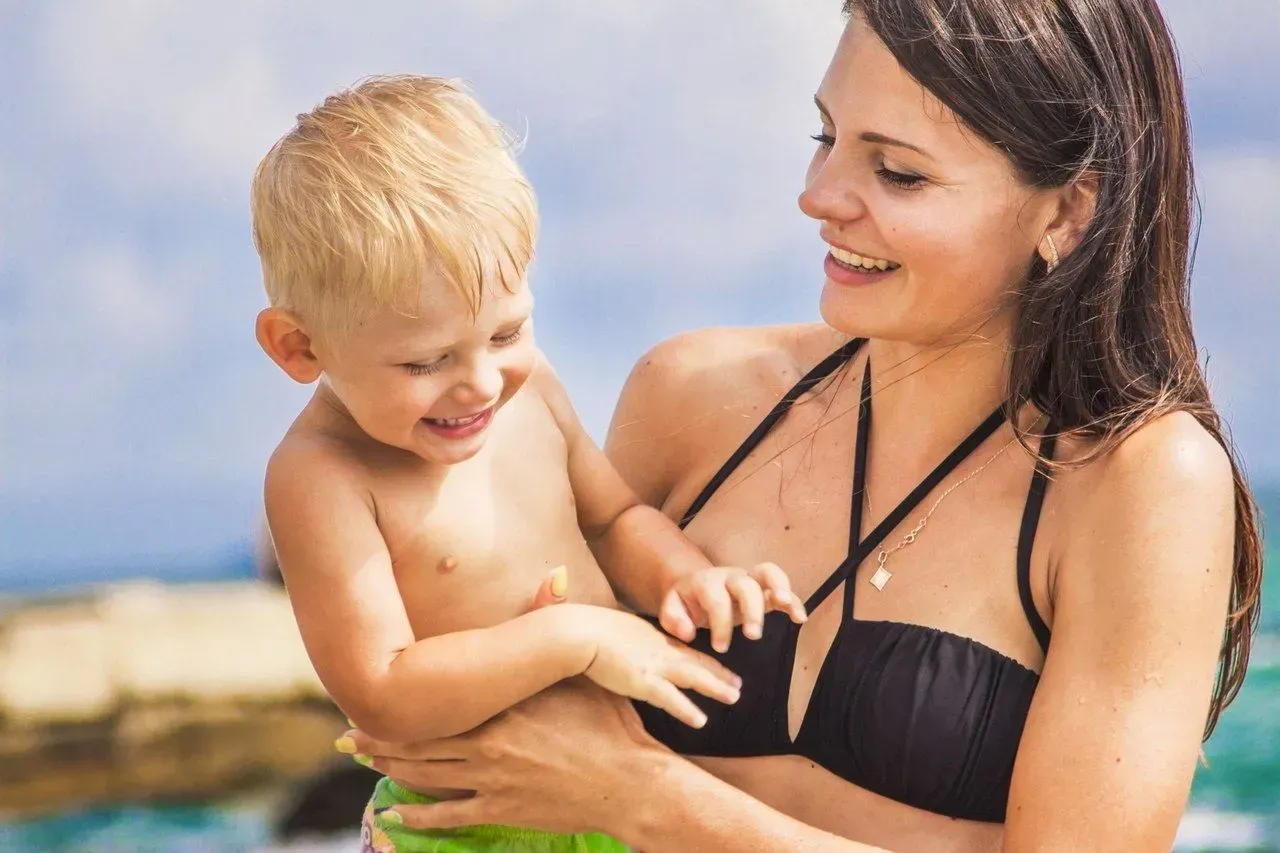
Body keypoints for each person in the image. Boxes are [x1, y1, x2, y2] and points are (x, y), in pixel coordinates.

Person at [341, 2, 1266, 850]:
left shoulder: (1139, 482)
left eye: (897, 172)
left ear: (1069, 207)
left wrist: (641, 793)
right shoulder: (689, 395)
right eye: (825, 136)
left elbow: (604, 774)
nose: (819, 195)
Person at [248, 75, 807, 853]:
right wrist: (574, 636)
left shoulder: (530, 395)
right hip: (463, 829)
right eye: (426, 360)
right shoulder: (323, 477)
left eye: (506, 334)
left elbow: (614, 519)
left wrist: (686, 577)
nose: (480, 382)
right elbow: (381, 689)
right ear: (299, 347)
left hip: (611, 797)